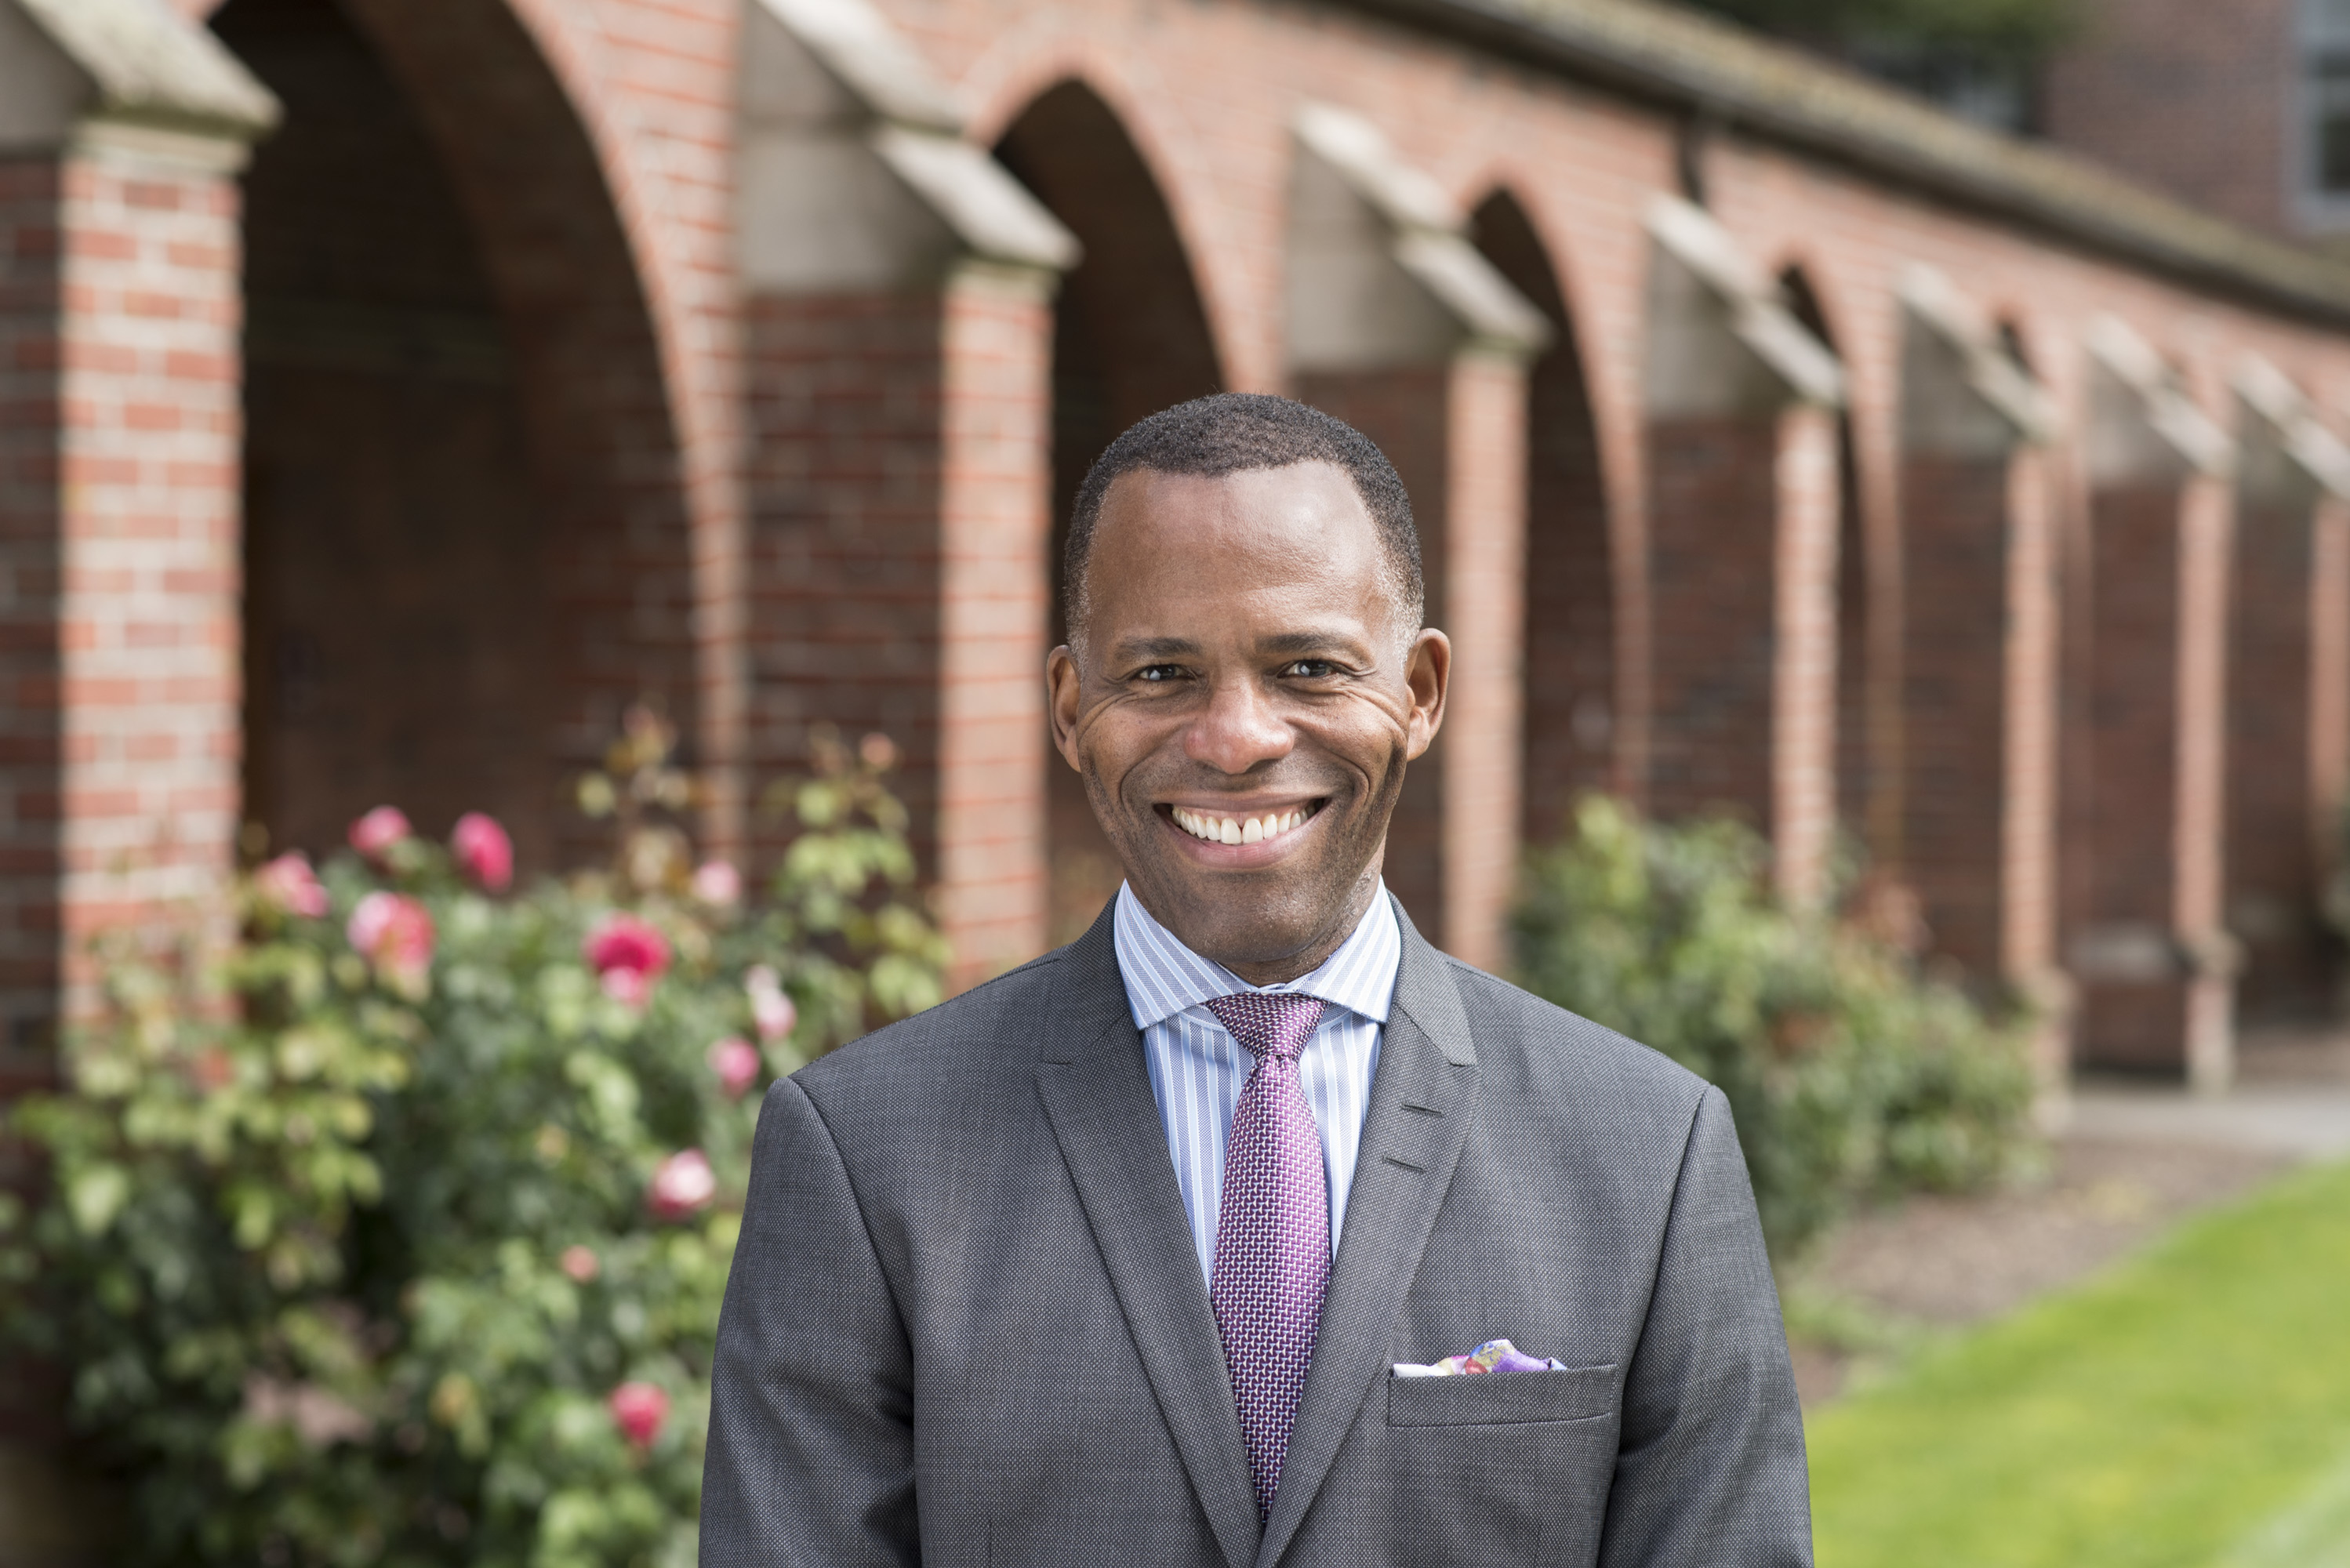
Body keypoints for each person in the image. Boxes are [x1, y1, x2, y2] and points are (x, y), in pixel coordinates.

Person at [702, 394, 1811, 1567]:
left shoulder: (1648, 1148)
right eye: (1163, 672)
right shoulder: (863, 1150)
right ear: (1073, 709)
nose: (1236, 737)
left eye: (1310, 666)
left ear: (1421, 692)